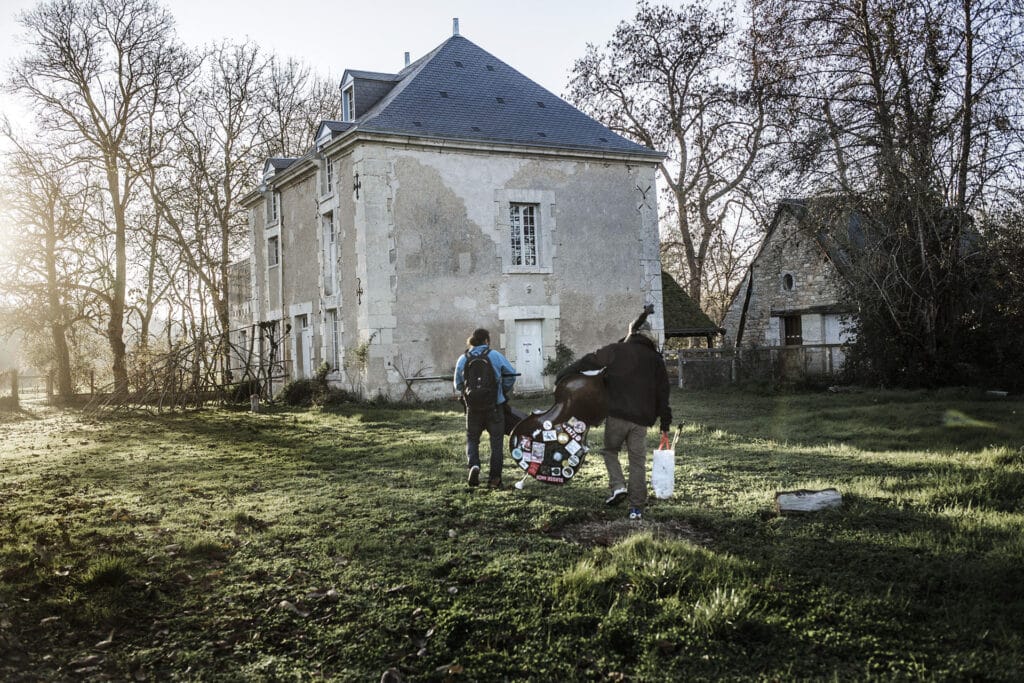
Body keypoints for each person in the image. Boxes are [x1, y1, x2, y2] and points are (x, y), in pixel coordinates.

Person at [557, 305, 672, 520]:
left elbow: (589, 360)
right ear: (649, 337)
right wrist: (665, 424)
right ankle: (636, 508)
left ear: (631, 333)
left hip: (617, 416)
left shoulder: (617, 351)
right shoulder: (655, 359)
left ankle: (618, 485)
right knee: (637, 462)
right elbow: (663, 394)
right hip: (641, 421)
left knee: (610, 451)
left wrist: (564, 374)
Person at [454, 328, 517, 489]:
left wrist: (468, 395)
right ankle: (495, 480)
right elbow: (510, 374)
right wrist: (501, 391)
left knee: (472, 439)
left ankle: (474, 465)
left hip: (473, 409)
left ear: (472, 341)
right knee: (496, 444)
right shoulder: (494, 355)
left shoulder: (463, 358)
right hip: (494, 407)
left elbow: (458, 384)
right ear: (487, 341)